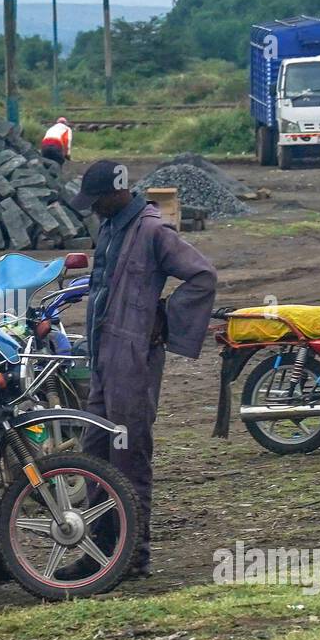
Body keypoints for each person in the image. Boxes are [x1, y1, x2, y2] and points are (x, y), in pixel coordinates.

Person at [66, 160, 217, 578]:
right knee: (94, 454)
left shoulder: (152, 230)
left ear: (117, 194)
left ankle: (134, 554)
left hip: (132, 361)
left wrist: (163, 318)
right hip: (101, 360)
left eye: (97, 201)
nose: (93, 209)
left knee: (129, 456)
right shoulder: (112, 227)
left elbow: (202, 276)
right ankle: (101, 551)